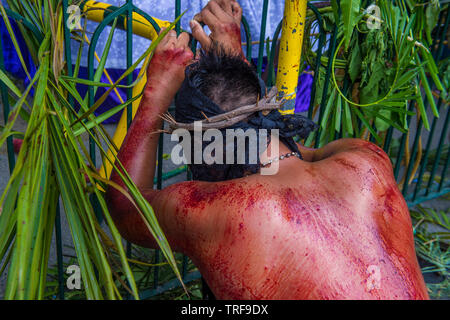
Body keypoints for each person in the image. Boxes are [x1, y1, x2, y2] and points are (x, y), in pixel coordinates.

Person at [106, 0, 429, 299]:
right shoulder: (366, 160)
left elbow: (124, 206)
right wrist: (236, 67)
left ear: (205, 151)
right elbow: (273, 140)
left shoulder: (222, 211)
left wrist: (155, 94)